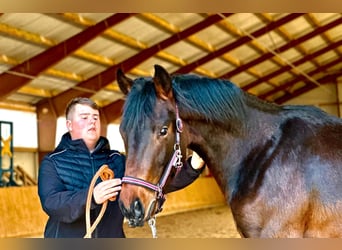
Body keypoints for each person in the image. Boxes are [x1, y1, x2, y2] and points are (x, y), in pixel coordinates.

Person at [38, 97, 205, 238]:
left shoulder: (117, 160)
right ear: (69, 125)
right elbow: (52, 202)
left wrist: (193, 166)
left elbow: (153, 183)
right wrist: (91, 196)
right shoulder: (52, 162)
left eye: (95, 117)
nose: (92, 122)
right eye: (84, 117)